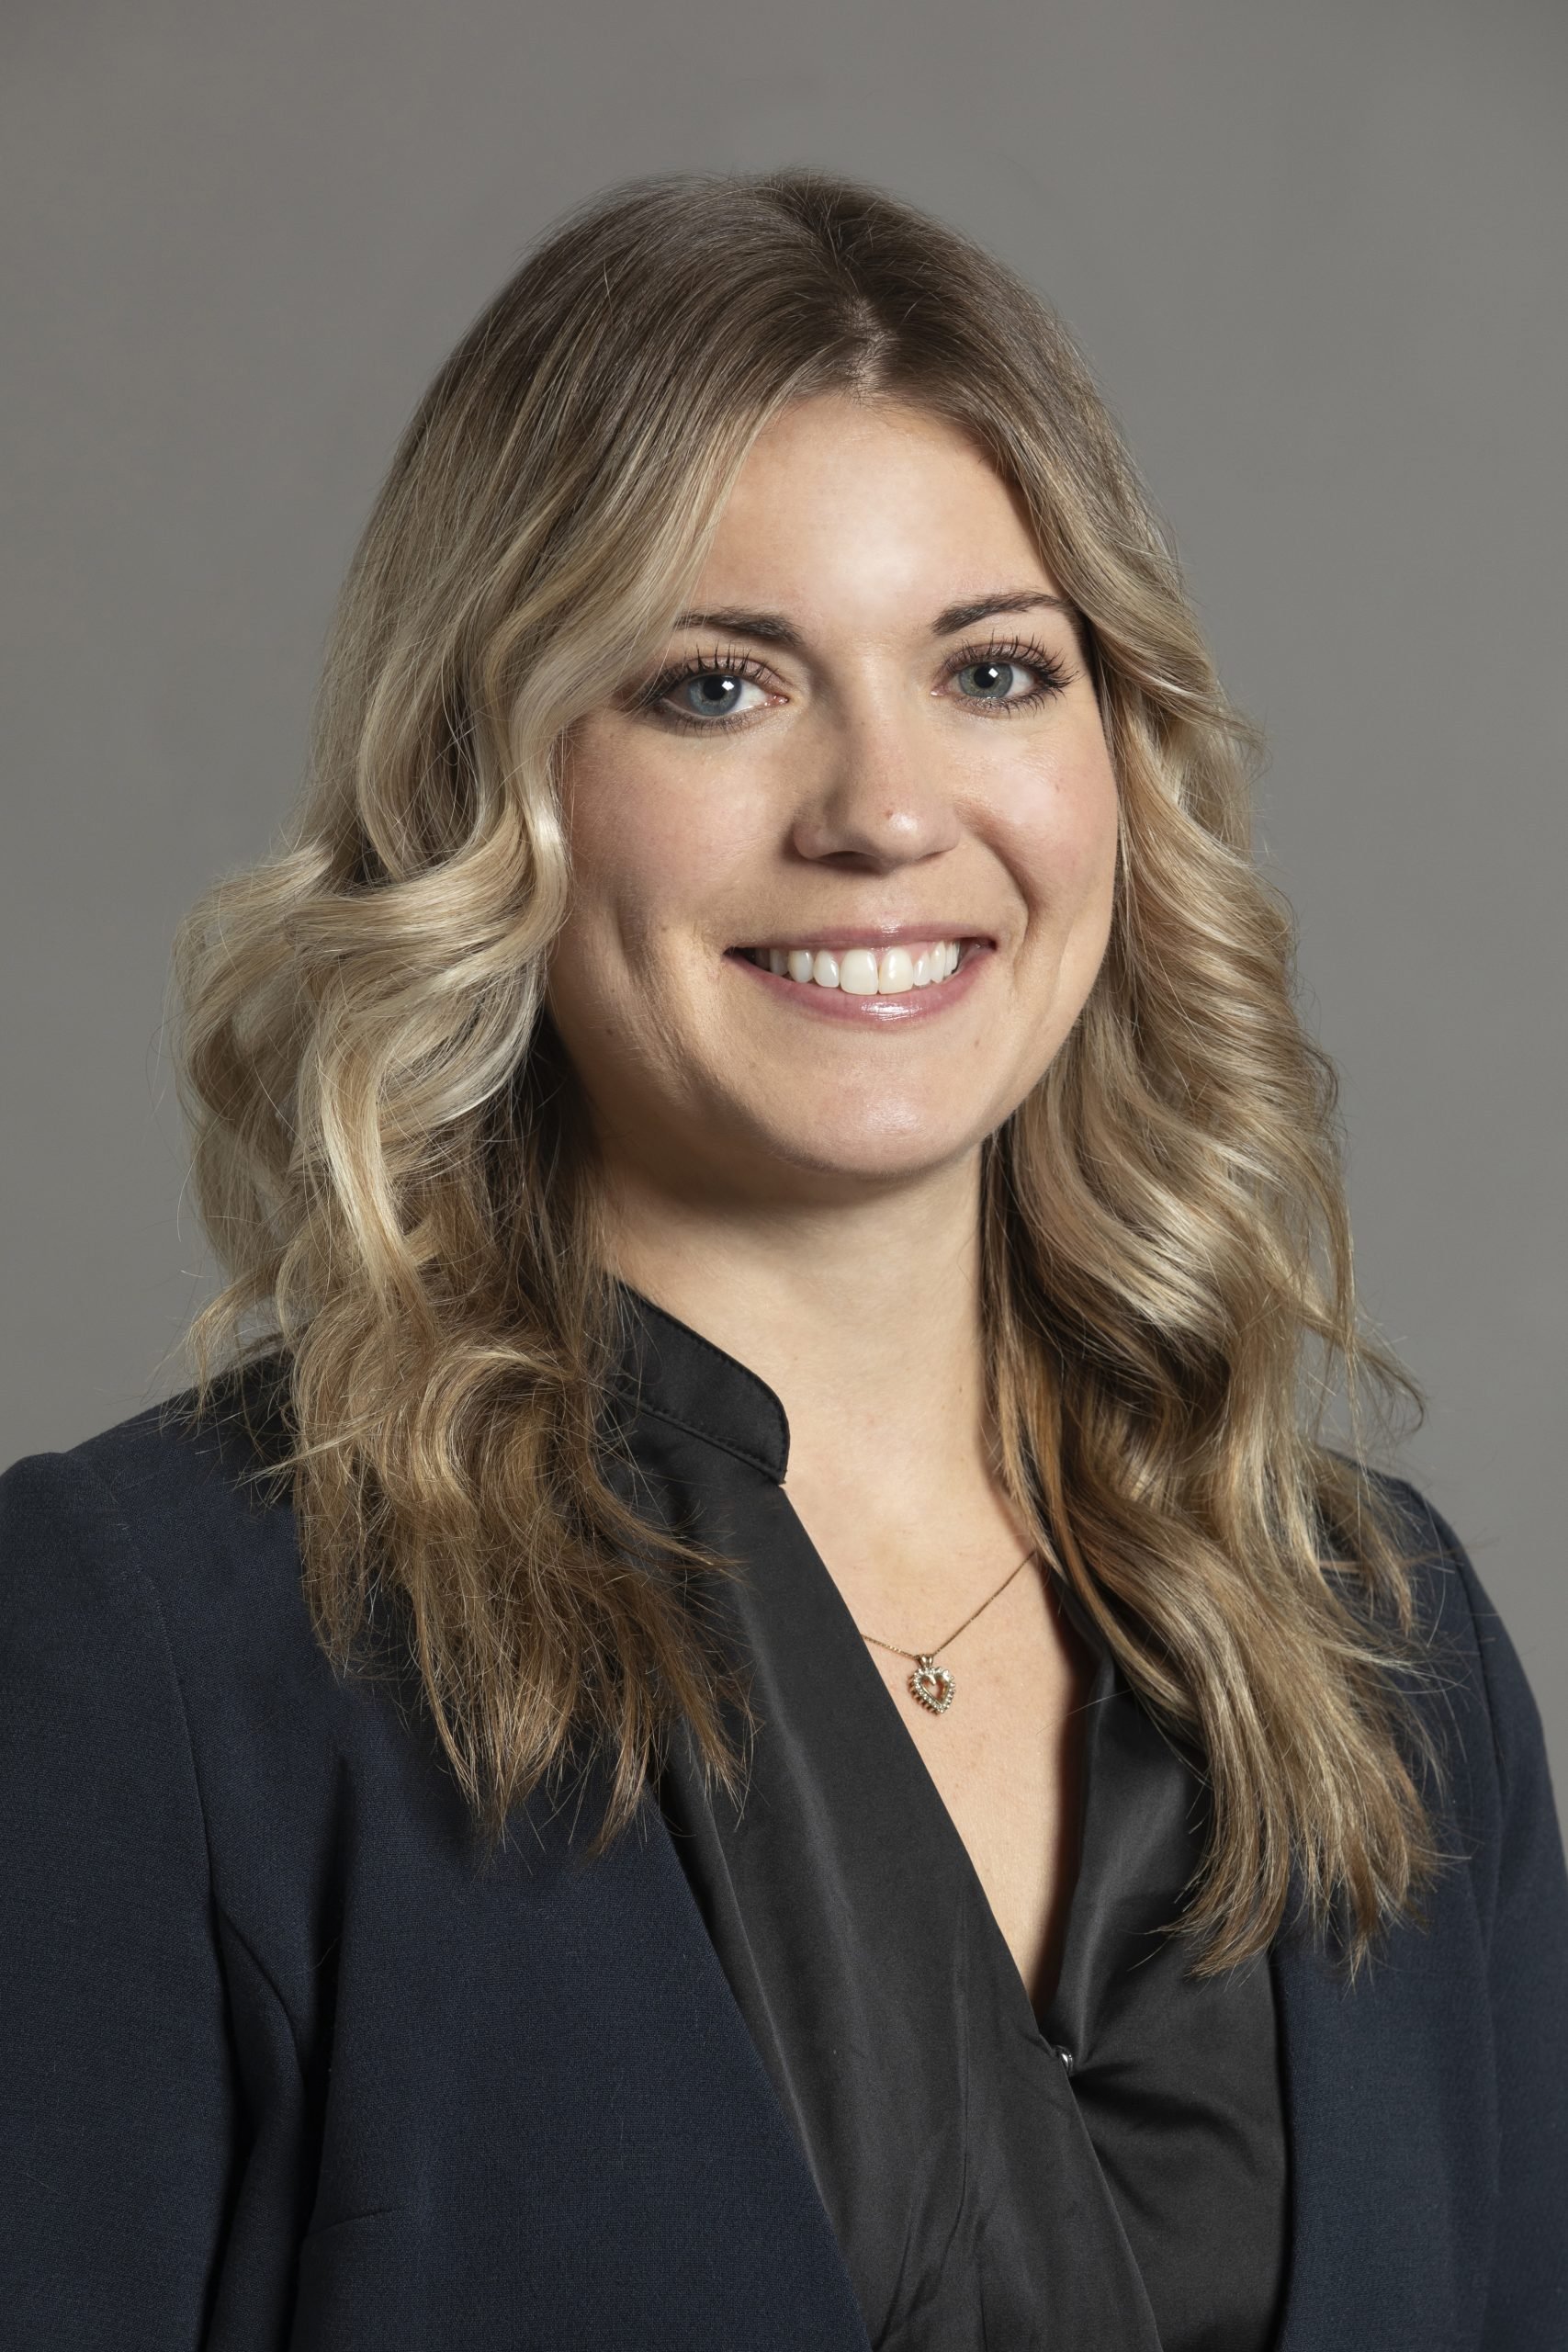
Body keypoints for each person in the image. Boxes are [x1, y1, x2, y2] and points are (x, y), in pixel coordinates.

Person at [2, 168, 1563, 2352]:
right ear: (490, 779)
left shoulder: (1385, 1660)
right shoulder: (145, 1651)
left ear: (1114, 763)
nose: (883, 806)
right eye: (716, 685)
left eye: (994, 669)